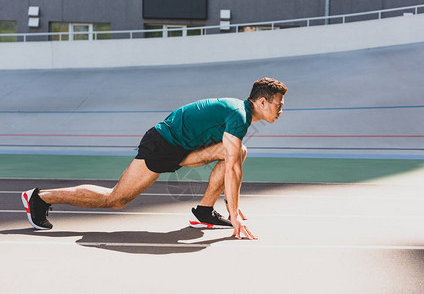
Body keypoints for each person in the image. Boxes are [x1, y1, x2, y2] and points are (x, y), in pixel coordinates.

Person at [21, 77, 287, 240]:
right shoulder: (239, 116)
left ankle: (204, 212)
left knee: (238, 152)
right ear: (262, 102)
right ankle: (40, 197)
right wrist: (233, 214)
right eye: (278, 104)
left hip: (181, 147)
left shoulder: (239, 113)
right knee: (116, 199)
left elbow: (233, 164)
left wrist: (233, 205)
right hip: (162, 144)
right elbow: (230, 169)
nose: (281, 110)